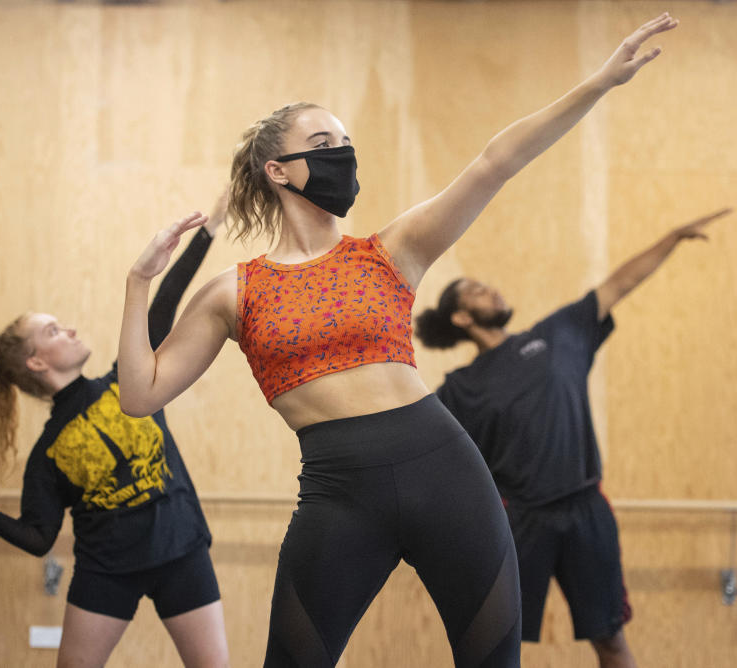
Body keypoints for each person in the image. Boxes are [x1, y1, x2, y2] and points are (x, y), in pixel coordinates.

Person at [117, 14, 678, 667]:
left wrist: (597, 84)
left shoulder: (389, 251)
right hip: (336, 493)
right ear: (278, 170)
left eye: (347, 141)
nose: (343, 153)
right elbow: (139, 393)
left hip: (445, 471)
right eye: (323, 141)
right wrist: (137, 283)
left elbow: (497, 161)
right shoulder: (232, 292)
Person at [415, 207, 731, 668]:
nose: (492, 289)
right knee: (493, 648)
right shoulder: (462, 388)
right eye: (477, 291)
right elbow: (424, 447)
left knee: (611, 641)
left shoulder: (558, 334)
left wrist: (671, 238)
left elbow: (618, 285)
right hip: (519, 521)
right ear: (462, 318)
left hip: (587, 511)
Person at [0, 196, 231, 668]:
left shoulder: (128, 382)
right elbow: (39, 537)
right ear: (36, 362)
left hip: (181, 551)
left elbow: (163, 305)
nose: (69, 330)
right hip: (108, 572)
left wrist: (209, 231)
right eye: (53, 332)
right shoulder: (48, 454)